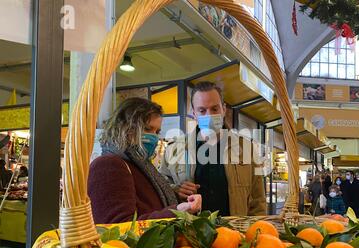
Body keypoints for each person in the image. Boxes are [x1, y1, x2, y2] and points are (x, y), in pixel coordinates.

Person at [160, 81, 266, 216]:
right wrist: (176, 190)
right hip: (190, 234)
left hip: (233, 233)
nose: (209, 115)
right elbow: (159, 189)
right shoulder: (174, 149)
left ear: (224, 110)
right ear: (194, 114)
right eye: (202, 110)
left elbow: (258, 201)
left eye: (214, 109)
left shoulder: (246, 148)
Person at [88, 98, 201, 224]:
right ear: (125, 128)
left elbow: (147, 204)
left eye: (157, 131)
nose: (154, 137)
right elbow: (118, 226)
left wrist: (176, 195)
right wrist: (176, 211)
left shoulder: (142, 164)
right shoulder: (107, 165)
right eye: (147, 129)